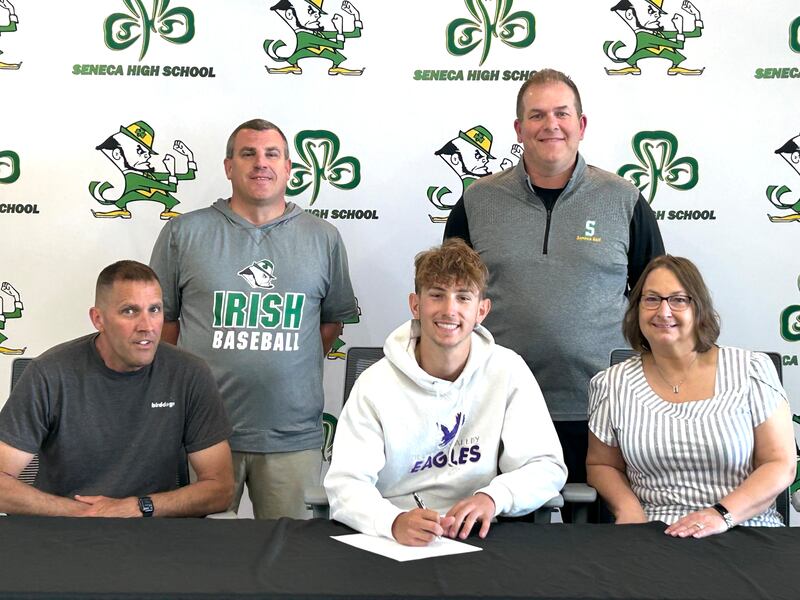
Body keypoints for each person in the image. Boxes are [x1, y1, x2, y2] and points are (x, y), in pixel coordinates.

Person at [444, 68, 664, 493]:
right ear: (518, 128)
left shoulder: (624, 200)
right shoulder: (477, 202)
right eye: (537, 115)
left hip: (604, 412)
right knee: (501, 529)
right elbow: (450, 304)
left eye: (562, 113)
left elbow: (656, 301)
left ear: (581, 125)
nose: (551, 125)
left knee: (602, 533)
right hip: (497, 406)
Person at [150, 118, 358, 519]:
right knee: (198, 552)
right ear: (229, 167)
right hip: (202, 435)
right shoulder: (183, 233)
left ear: (288, 168)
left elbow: (331, 322)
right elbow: (165, 325)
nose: (261, 163)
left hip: (291, 436)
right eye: (248, 154)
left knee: (291, 551)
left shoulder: (323, 237)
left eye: (271, 154)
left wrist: (285, 362)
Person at [324, 239, 567, 546]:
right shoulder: (375, 383)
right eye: (437, 295)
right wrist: (392, 521)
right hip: (395, 538)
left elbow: (546, 466)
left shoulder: (508, 370)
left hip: (482, 533)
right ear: (416, 305)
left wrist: (493, 498)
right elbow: (346, 483)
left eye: (463, 297)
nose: (449, 310)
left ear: (481, 310)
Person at [0, 260, 233, 517]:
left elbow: (220, 488)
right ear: (98, 319)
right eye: (130, 311)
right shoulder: (49, 373)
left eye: (155, 309)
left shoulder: (189, 373)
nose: (147, 326)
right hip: (63, 527)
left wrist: (137, 507)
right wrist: (84, 513)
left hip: (153, 527)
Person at [587, 255, 795, 537]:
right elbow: (602, 464)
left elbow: (779, 463)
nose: (663, 312)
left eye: (678, 300)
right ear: (636, 309)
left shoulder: (752, 371)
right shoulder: (611, 384)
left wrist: (720, 515)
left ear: (699, 308)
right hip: (652, 533)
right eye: (651, 299)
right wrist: (628, 510)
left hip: (744, 529)